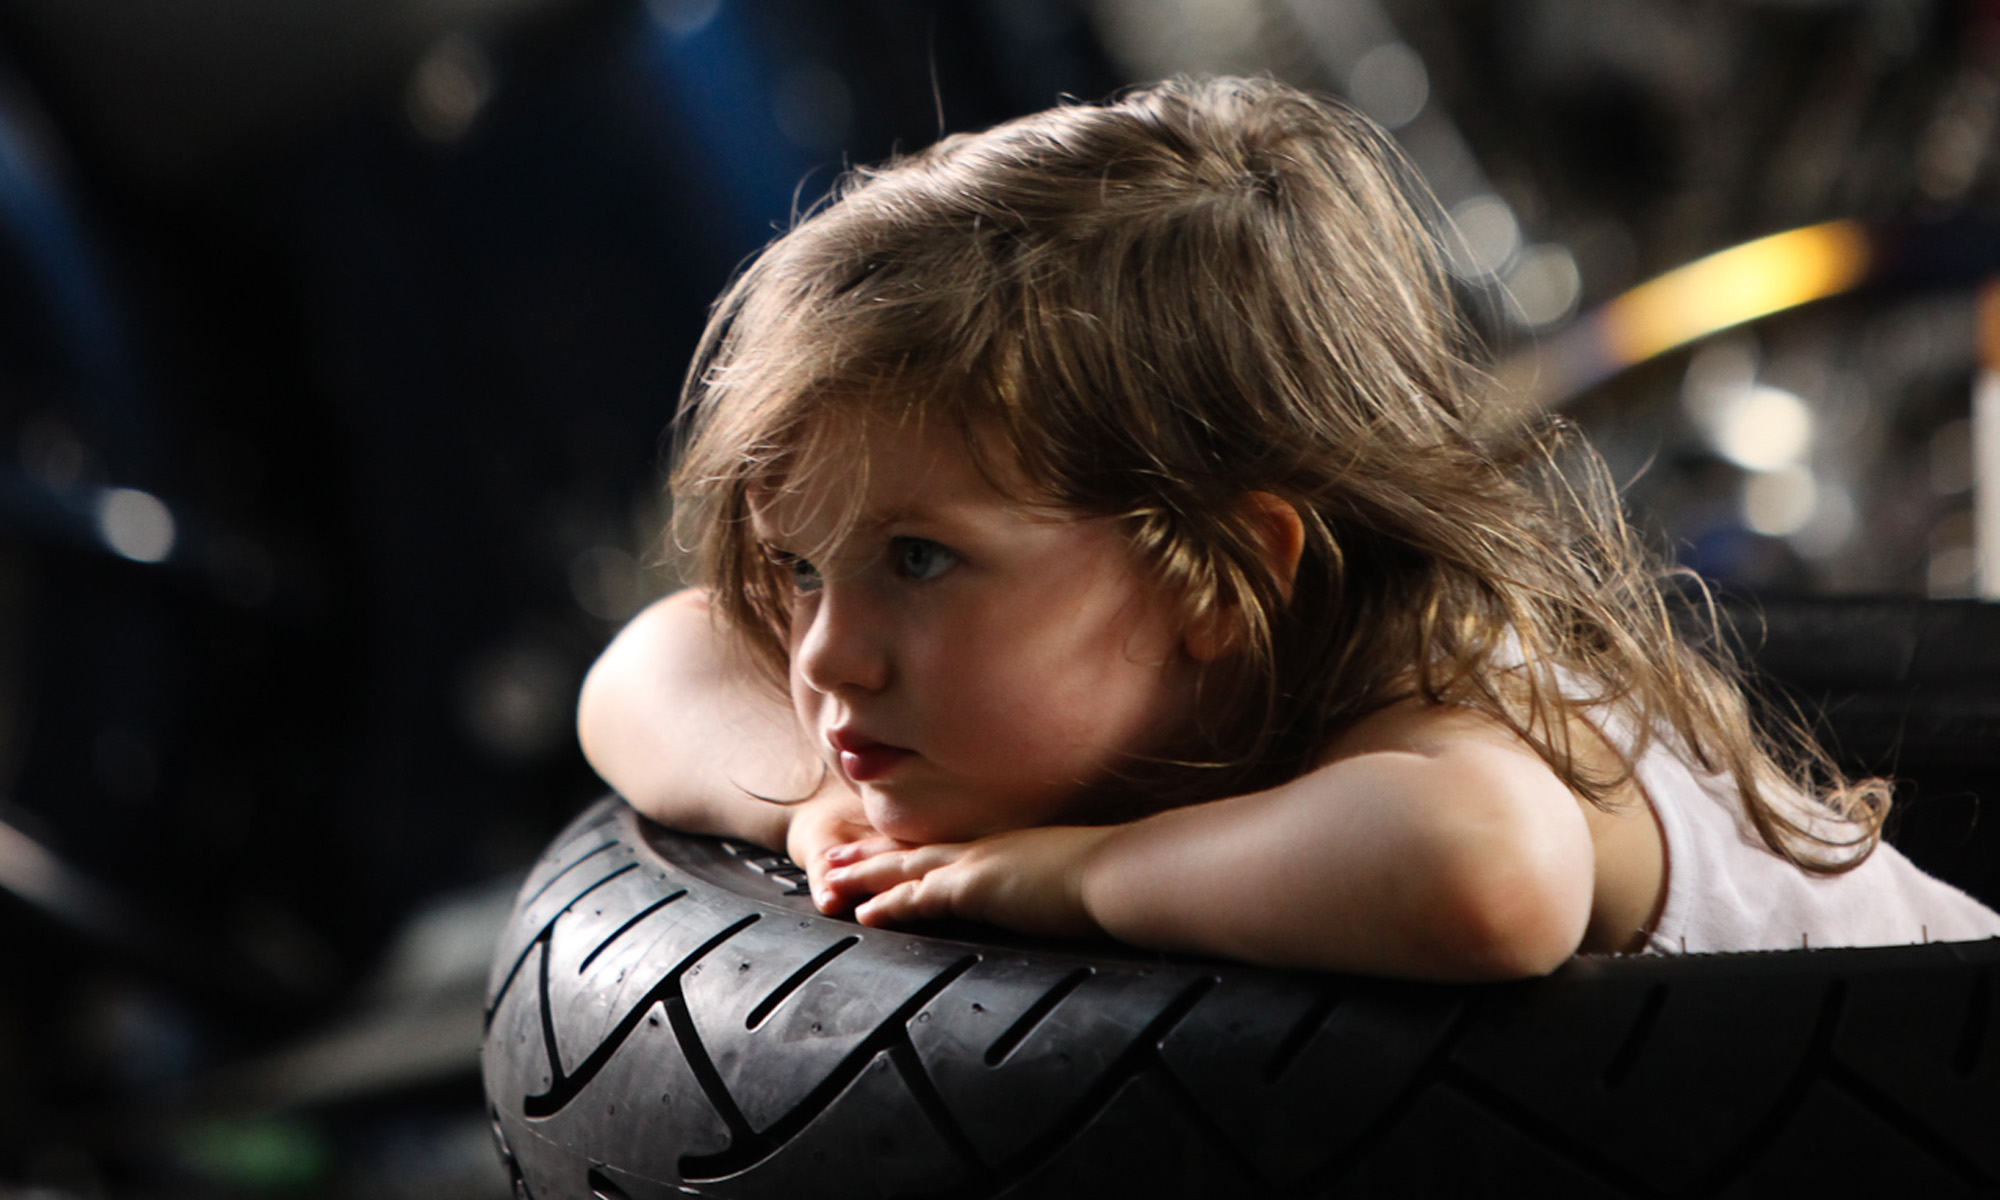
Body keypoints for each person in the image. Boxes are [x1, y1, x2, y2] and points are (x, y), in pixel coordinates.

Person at [578, 75, 2000, 980]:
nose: (827, 658)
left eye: (920, 559)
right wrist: (823, 811)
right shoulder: (1044, 684)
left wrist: (1072, 876)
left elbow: (1483, 878)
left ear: (1224, 573)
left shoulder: (1447, 708)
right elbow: (648, 666)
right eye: (802, 564)